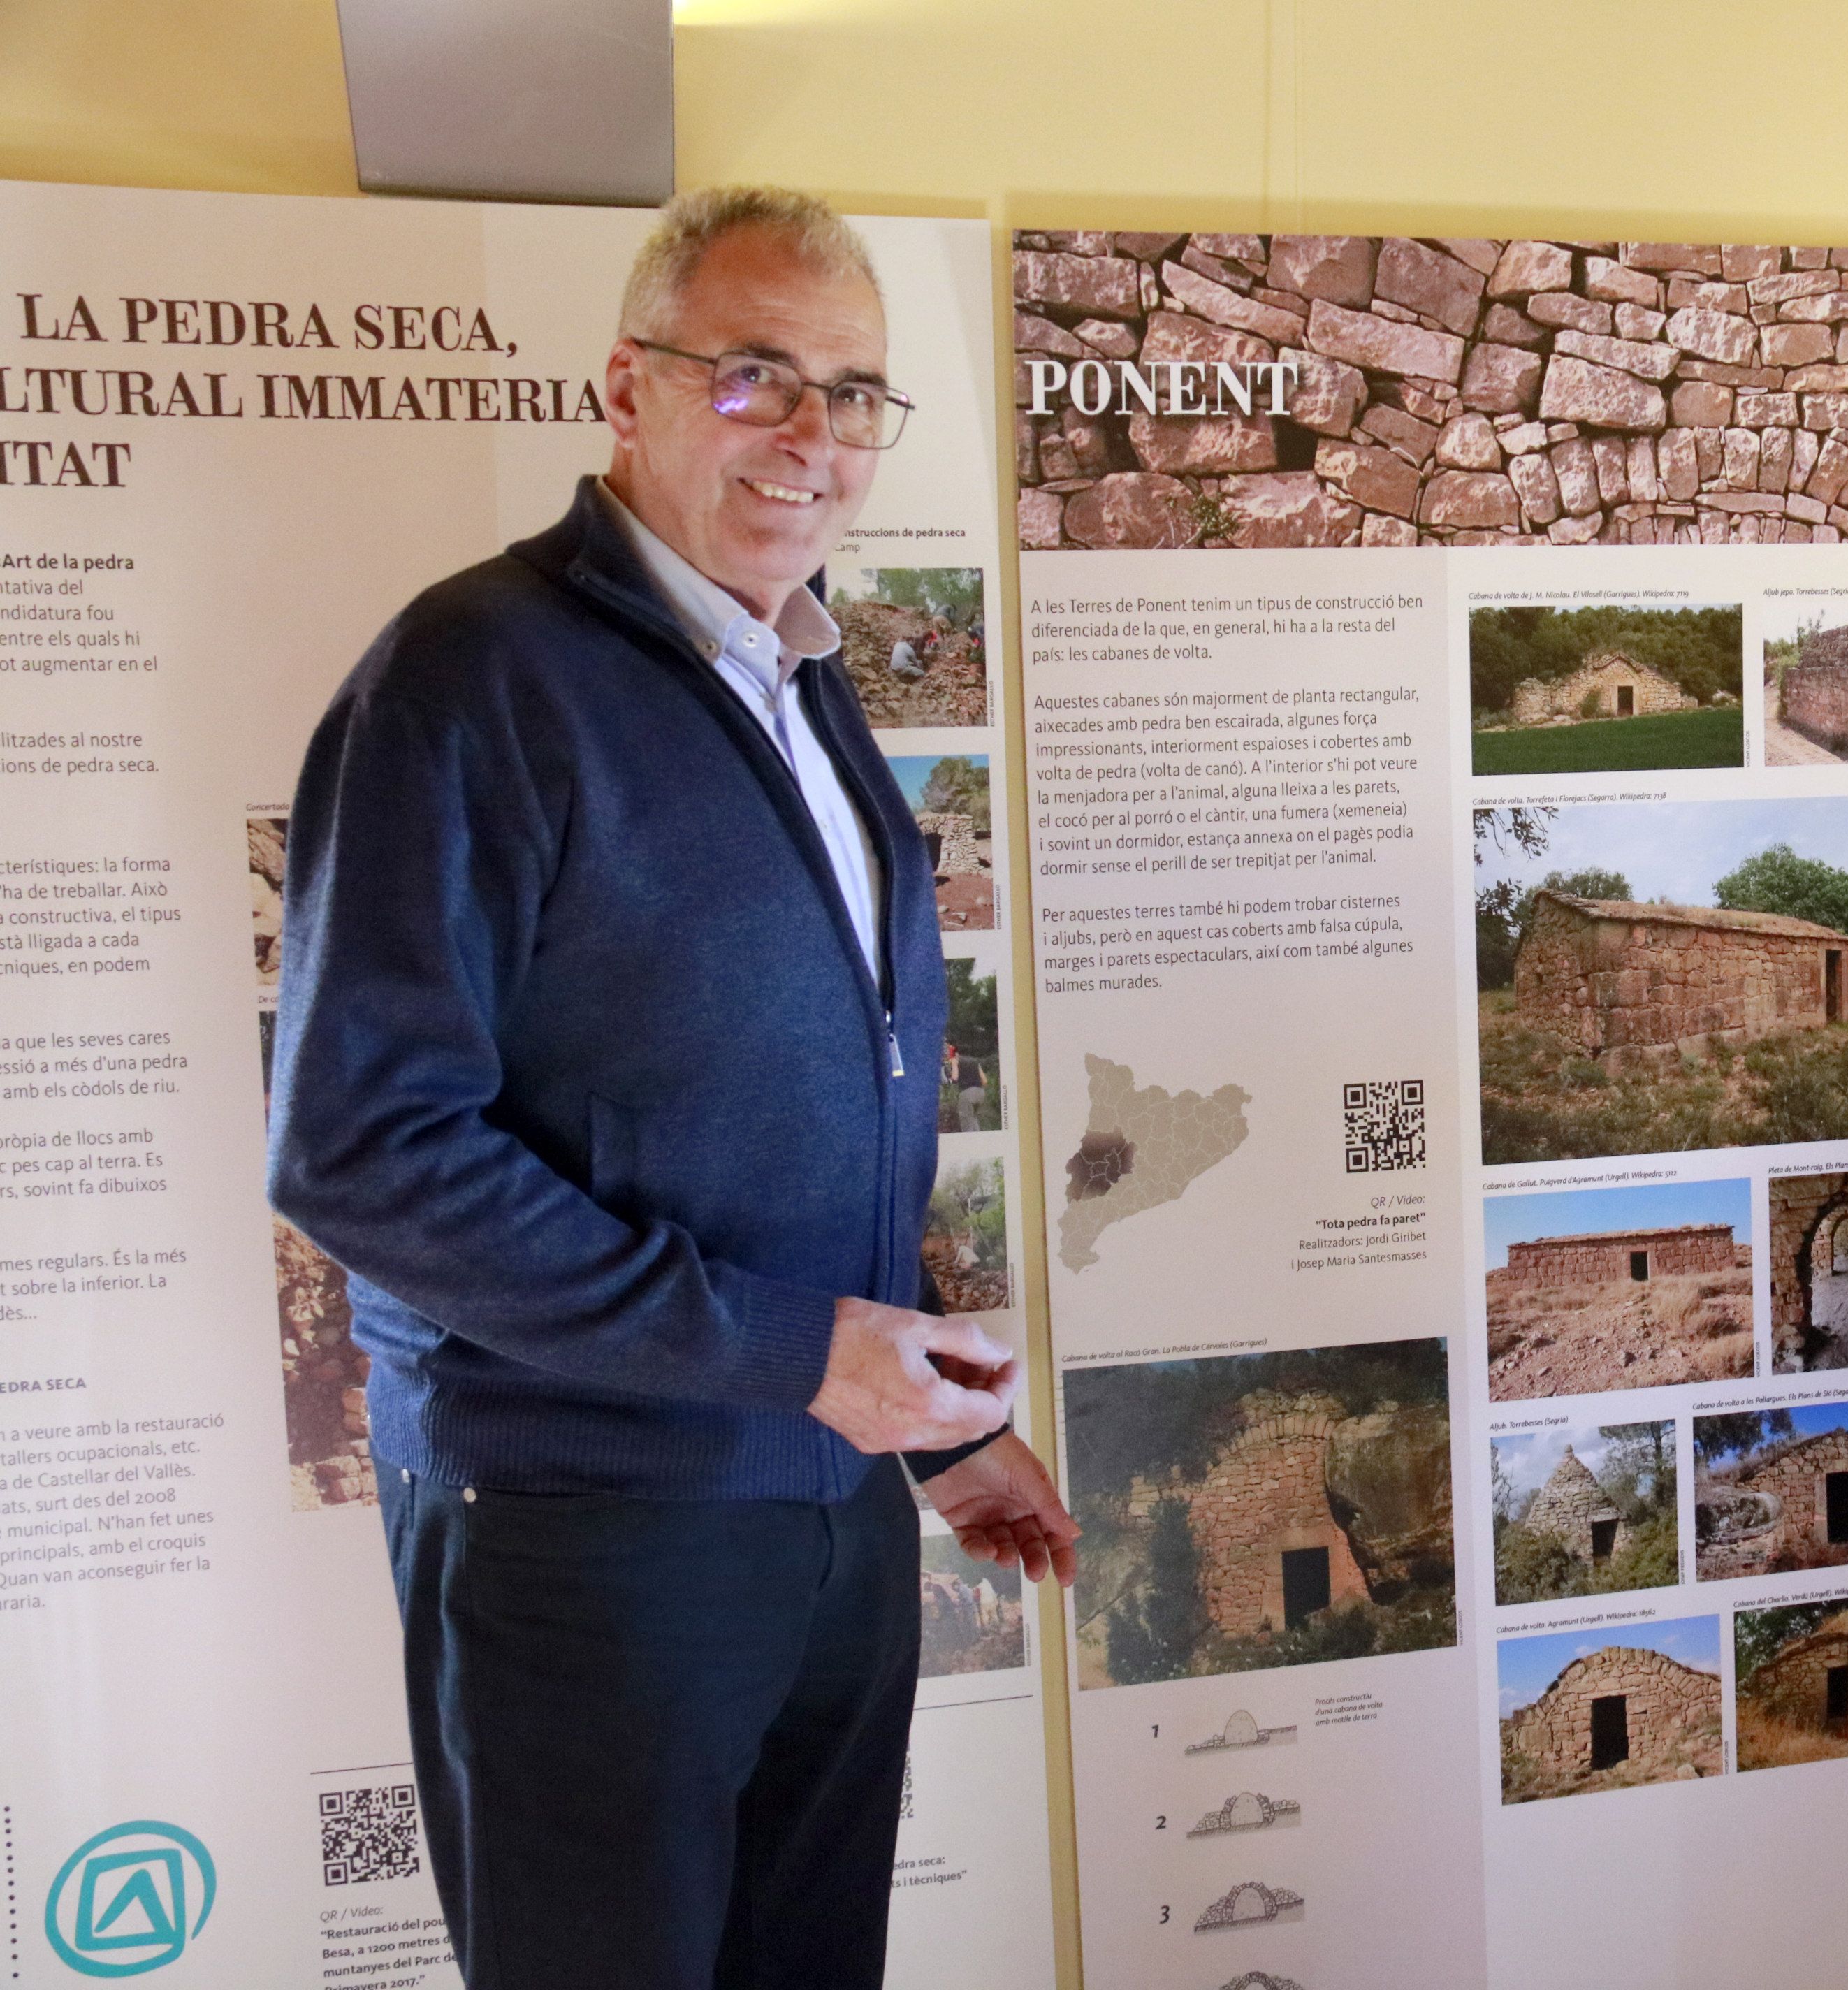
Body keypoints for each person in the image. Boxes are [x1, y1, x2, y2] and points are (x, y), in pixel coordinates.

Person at [268, 185, 1075, 1990]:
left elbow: (793, 1127)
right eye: (755, 376)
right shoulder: (471, 682)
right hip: (587, 1553)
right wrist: (799, 1356)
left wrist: (934, 1429)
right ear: (624, 391)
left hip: (820, 1528)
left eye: (854, 393)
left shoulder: (804, 682)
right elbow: (360, 1148)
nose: (813, 436)